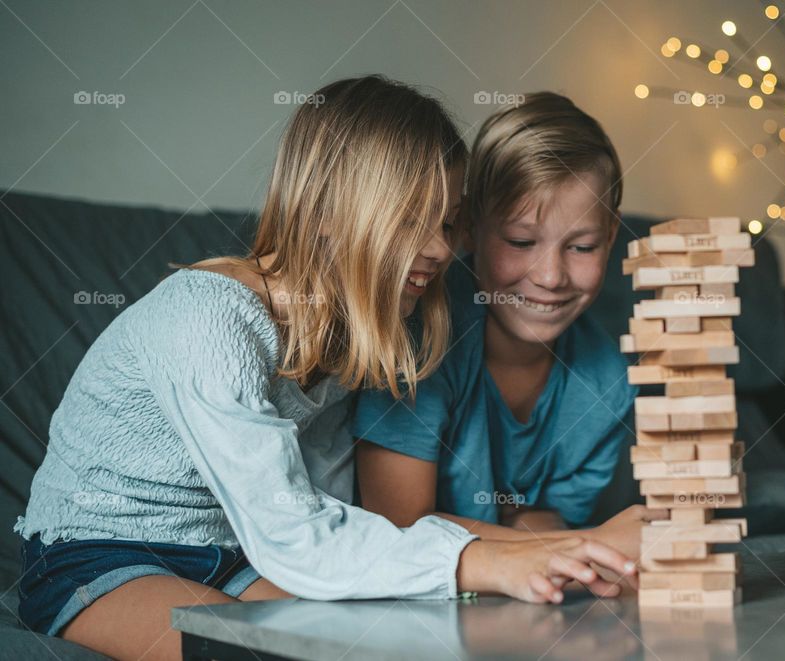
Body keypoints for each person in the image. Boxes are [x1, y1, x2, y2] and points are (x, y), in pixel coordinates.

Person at [14, 77, 635, 661]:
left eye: (447, 223)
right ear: (327, 211)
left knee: (378, 638)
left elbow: (337, 517)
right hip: (103, 552)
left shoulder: (357, 332)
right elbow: (292, 532)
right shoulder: (207, 318)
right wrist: (480, 561)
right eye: (412, 219)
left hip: (238, 556)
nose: (442, 248)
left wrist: (532, 558)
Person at [354, 92, 665, 556]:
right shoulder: (418, 335)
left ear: (612, 235)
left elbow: (532, 521)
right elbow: (398, 524)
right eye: (521, 241)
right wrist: (591, 543)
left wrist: (573, 545)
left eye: (581, 247)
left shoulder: (609, 381)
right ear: (470, 227)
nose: (549, 277)